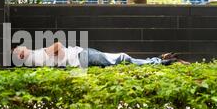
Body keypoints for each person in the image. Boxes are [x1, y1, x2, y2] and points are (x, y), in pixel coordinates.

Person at [13, 42, 189, 68]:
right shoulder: (34, 58)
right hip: (80, 56)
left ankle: (160, 61)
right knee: (121, 58)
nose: (22, 48)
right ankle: (162, 61)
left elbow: (58, 47)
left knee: (122, 59)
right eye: (19, 50)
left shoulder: (35, 56)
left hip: (80, 54)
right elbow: (58, 45)